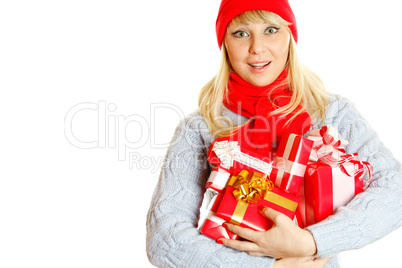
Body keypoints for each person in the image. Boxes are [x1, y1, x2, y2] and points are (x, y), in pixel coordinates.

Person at [146, 0, 402, 267]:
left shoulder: (332, 113)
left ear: (290, 37)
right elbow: (164, 239)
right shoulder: (200, 128)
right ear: (225, 44)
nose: (257, 47)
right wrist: (270, 267)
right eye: (241, 33)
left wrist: (310, 242)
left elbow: (396, 190)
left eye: (271, 30)